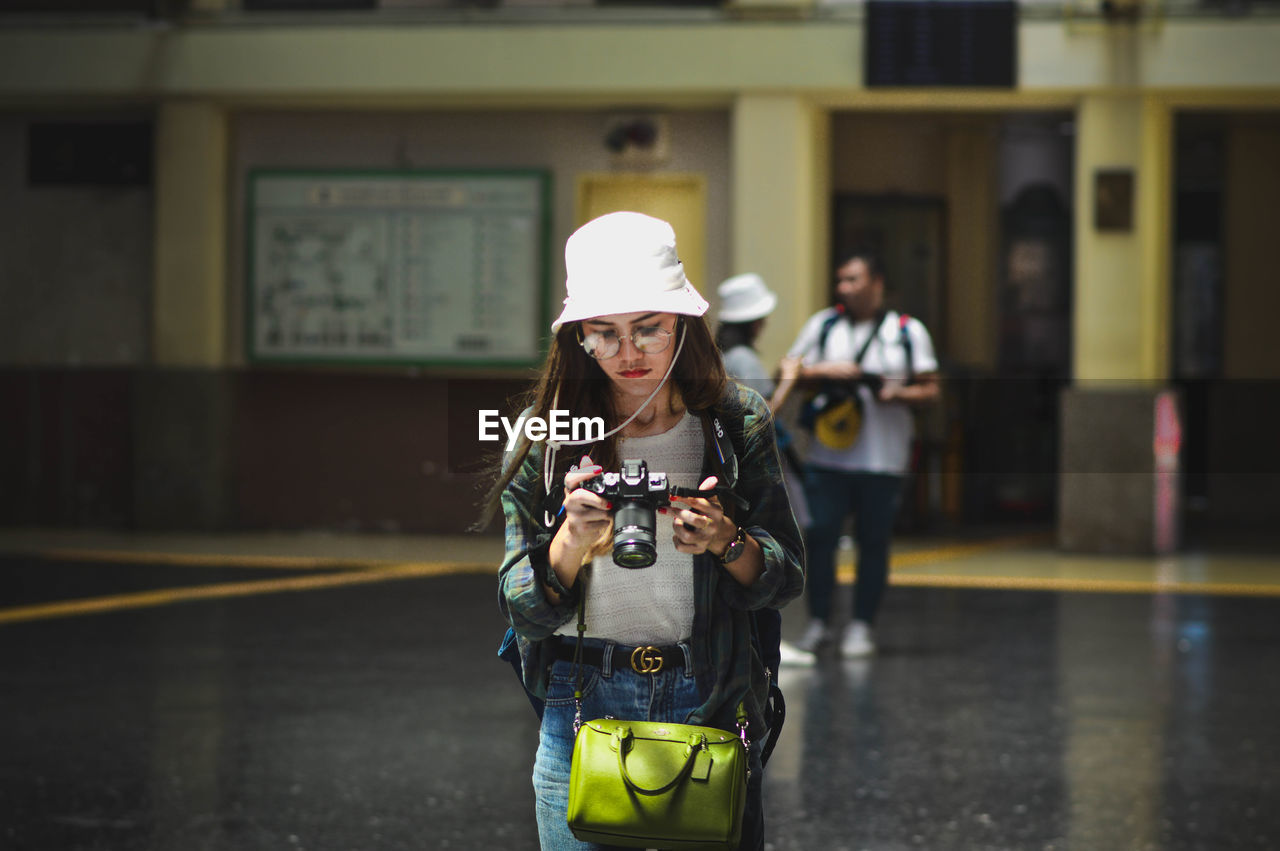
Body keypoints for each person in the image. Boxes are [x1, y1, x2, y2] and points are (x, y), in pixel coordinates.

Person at [490, 212, 805, 850]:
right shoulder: (543, 433)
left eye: (648, 330)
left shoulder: (730, 422)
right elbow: (520, 608)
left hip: (708, 691)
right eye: (602, 334)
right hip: (581, 697)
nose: (628, 354)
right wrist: (571, 543)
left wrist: (726, 540)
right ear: (578, 336)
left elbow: (785, 575)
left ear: (682, 325)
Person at [781, 250, 939, 662]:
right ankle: (818, 623)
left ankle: (861, 626)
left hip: (882, 459)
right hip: (828, 458)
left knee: (874, 542)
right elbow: (790, 369)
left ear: (877, 283)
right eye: (841, 281)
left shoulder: (907, 331)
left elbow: (932, 388)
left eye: (853, 280)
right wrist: (826, 372)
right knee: (821, 538)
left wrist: (895, 393)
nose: (844, 289)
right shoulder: (824, 326)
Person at [715, 272, 811, 533]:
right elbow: (763, 412)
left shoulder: (722, 356)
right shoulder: (744, 358)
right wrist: (788, 381)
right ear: (755, 323)